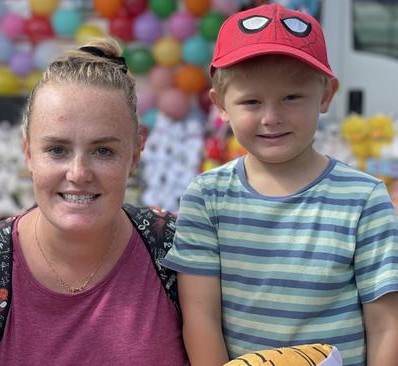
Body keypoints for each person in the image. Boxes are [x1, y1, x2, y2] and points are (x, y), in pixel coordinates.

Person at [161, 4, 398, 366]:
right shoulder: (207, 197)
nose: (272, 117)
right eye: (252, 101)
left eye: (291, 97)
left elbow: (385, 326)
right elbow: (200, 317)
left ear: (325, 95)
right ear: (221, 104)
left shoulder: (364, 199)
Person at [0, 38, 188, 366]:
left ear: (136, 154)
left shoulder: (179, 254)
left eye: (103, 151)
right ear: (28, 152)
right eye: (57, 150)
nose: (79, 173)